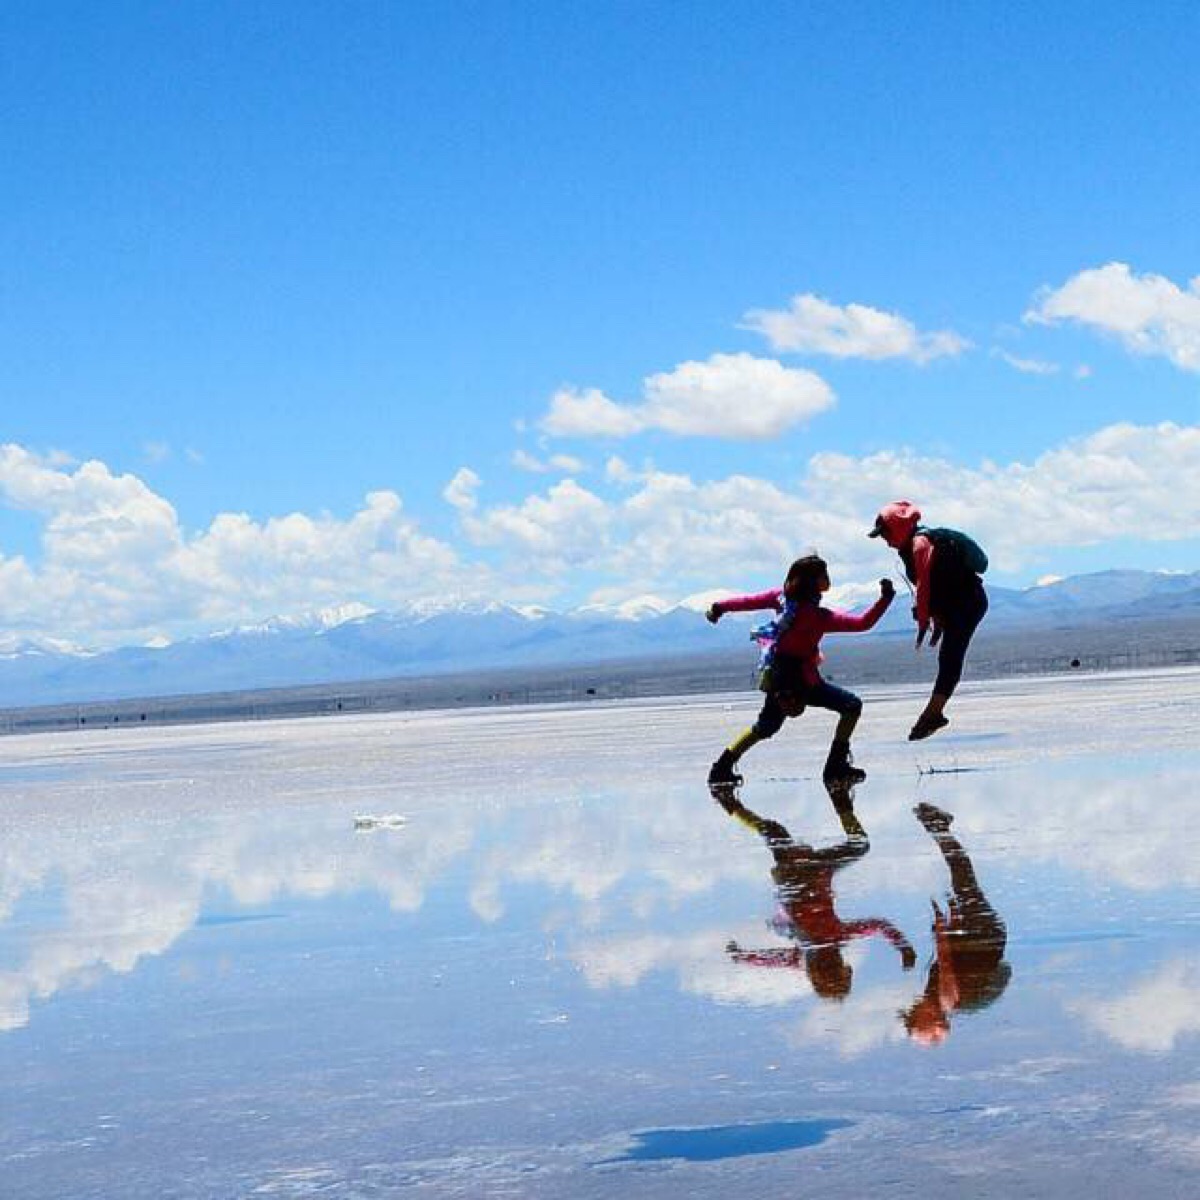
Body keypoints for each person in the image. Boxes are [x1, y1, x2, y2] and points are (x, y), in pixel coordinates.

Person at [715, 779, 916, 1001]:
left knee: (856, 844)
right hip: (806, 874)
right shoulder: (807, 952)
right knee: (776, 833)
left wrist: (904, 946)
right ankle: (729, 802)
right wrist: (741, 957)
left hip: (805, 874)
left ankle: (838, 795)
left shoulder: (824, 943)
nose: (836, 963)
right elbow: (770, 959)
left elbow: (879, 925)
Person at [706, 554, 894, 785]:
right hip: (804, 681)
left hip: (777, 677)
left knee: (765, 727)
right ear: (815, 582)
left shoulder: (781, 600)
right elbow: (863, 623)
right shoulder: (819, 616)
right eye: (824, 574)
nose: (828, 578)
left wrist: (719, 608)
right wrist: (885, 599)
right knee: (851, 706)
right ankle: (835, 765)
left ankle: (721, 767)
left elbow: (747, 601)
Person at [868, 501, 988, 741]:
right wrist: (933, 617)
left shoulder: (920, 544)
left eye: (886, 535)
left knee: (950, 656)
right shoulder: (911, 547)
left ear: (897, 527)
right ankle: (932, 715)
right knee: (949, 656)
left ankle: (932, 715)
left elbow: (923, 587)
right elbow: (934, 587)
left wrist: (923, 621)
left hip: (968, 602)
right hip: (957, 603)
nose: (887, 542)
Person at [901, 802, 1010, 1044]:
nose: (912, 1008)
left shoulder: (945, 1001)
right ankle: (940, 828)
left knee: (963, 881)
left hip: (984, 939)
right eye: (914, 1015)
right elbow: (947, 960)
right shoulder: (946, 999)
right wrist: (943, 926)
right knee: (963, 880)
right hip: (984, 935)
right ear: (929, 1016)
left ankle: (940, 828)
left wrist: (950, 920)